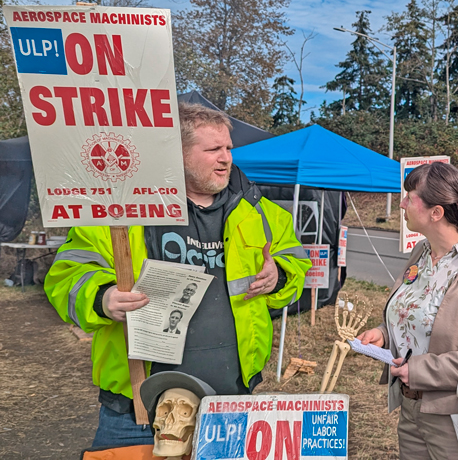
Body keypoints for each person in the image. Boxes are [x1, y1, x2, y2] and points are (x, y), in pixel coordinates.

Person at [45, 102, 311, 448]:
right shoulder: (122, 210)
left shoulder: (260, 211)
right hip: (137, 411)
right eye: (213, 149)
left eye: (228, 149)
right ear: (178, 153)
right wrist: (103, 297)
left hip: (230, 405)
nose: (226, 158)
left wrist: (281, 276)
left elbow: (295, 265)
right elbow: (67, 273)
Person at [357, 162, 458, 459]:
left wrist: (420, 371)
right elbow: (416, 314)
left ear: (436, 213)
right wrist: (383, 335)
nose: (402, 203)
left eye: (410, 197)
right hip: (409, 408)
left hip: (457, 416)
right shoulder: (421, 253)